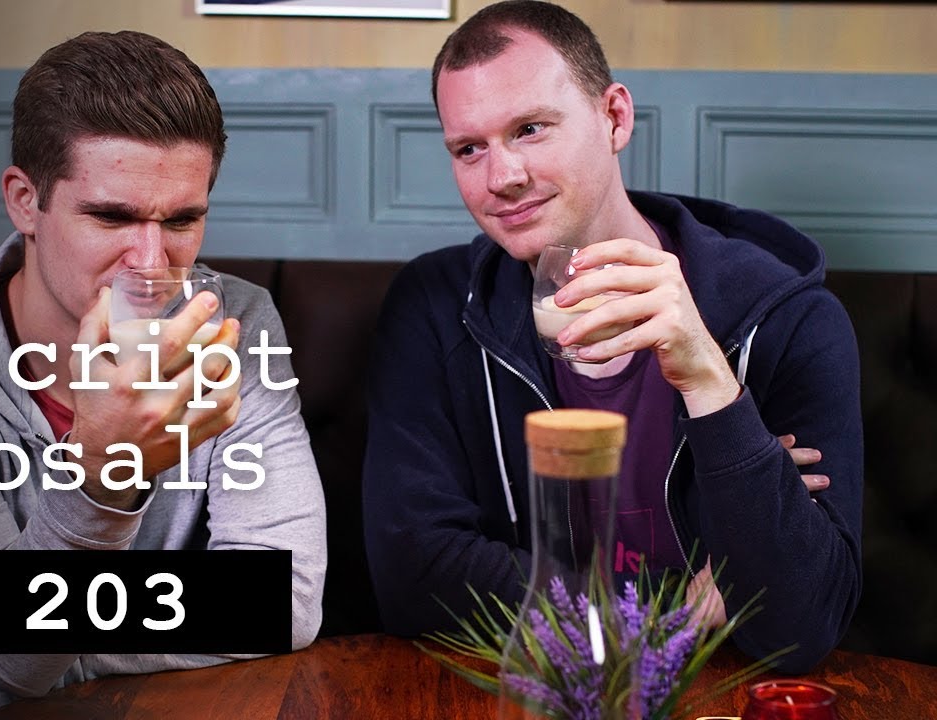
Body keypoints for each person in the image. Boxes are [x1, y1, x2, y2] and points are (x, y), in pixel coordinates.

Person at [0, 30, 326, 720]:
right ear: (24, 200)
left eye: (183, 220)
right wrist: (102, 476)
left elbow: (283, 598)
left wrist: (38, 663)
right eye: (111, 216)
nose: (150, 262)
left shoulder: (233, 322)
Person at [362, 0, 861, 673]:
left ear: (615, 117)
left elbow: (800, 626)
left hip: (712, 697)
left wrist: (711, 385)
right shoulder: (436, 306)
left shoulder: (785, 318)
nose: (502, 177)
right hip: (523, 688)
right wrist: (671, 607)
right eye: (469, 148)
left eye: (531, 129)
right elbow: (414, 578)